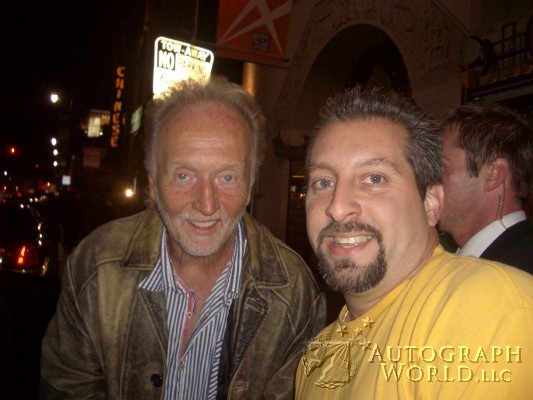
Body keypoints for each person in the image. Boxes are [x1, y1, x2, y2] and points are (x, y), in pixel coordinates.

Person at [40, 76, 327, 399]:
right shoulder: (96, 266)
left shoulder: (295, 294)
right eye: (183, 175)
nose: (206, 204)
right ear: (153, 185)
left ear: (249, 187)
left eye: (227, 177)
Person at [295, 86, 533, 399]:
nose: (337, 207)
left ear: (432, 203)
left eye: (374, 178)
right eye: (323, 182)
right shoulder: (318, 355)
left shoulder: (491, 309)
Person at [438, 102, 533, 273]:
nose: (427, 179)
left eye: (441, 167)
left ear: (494, 174)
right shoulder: (455, 262)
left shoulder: (522, 269)